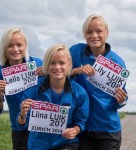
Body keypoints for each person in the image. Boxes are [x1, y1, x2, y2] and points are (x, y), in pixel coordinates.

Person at [70, 14, 128, 150]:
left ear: (107, 33)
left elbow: (121, 98)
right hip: (81, 126)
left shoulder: (118, 63)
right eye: (89, 32)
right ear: (84, 34)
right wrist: (76, 71)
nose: (94, 35)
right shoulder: (75, 51)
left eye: (99, 31)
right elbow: (60, 75)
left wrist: (121, 100)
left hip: (108, 128)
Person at [16, 44, 89, 150]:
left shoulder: (80, 92)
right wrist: (22, 114)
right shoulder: (33, 89)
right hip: (37, 145)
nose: (57, 67)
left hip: (65, 143)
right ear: (46, 65)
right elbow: (21, 125)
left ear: (69, 64)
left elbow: (81, 122)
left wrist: (75, 130)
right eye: (52, 63)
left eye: (62, 63)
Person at [0, 28, 43, 150]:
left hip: (42, 126)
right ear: (4, 48)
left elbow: (60, 80)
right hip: (20, 129)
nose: (15, 49)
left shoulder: (38, 63)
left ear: (25, 46)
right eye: (10, 46)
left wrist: (48, 72)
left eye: (19, 45)